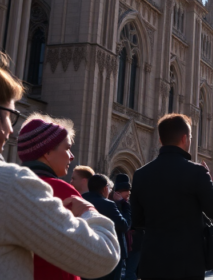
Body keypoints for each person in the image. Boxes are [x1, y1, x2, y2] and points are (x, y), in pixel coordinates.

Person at [0, 51, 120, 280]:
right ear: (45, 151)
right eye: (10, 115)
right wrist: (90, 212)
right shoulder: (20, 186)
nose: (10, 129)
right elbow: (102, 256)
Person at [131, 113, 213, 280]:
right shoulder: (196, 172)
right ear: (185, 138)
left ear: (161, 140)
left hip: (152, 262)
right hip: (186, 263)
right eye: (190, 137)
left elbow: (137, 220)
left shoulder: (140, 174)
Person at [17, 114, 92, 280]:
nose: (71, 156)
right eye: (67, 148)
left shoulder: (13, 187)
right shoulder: (62, 190)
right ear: (47, 152)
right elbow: (90, 251)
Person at [82, 174, 130, 280]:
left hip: (85, 250)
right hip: (110, 253)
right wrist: (125, 205)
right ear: (105, 188)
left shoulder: (81, 200)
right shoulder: (108, 204)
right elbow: (124, 226)